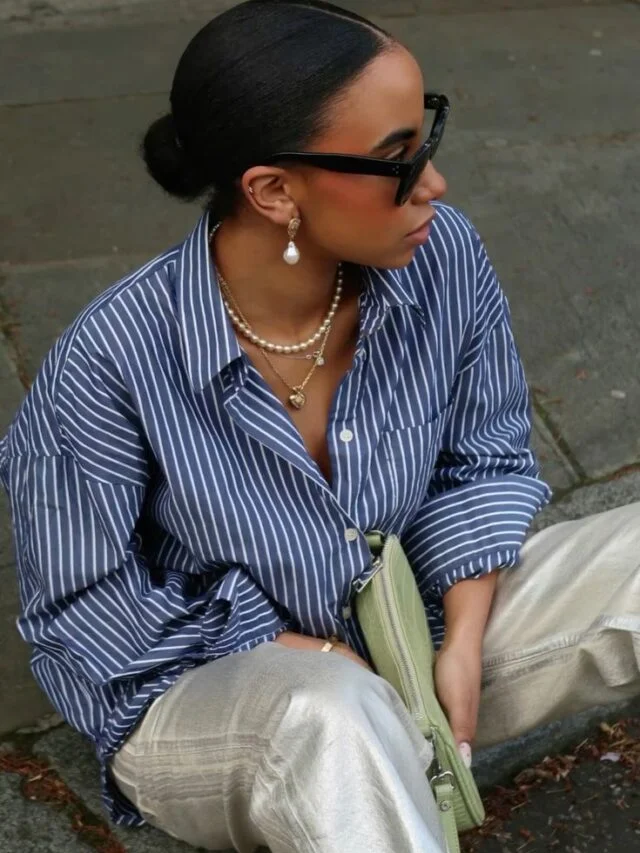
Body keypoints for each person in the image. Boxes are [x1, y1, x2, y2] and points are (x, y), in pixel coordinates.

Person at [1, 1, 638, 850]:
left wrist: (461, 638)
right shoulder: (110, 361)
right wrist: (291, 645)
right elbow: (84, 613)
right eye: (396, 161)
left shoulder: (442, 256)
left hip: (413, 632)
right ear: (273, 190)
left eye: (427, 138)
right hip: (218, 696)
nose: (435, 185)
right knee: (331, 716)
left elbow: (483, 459)